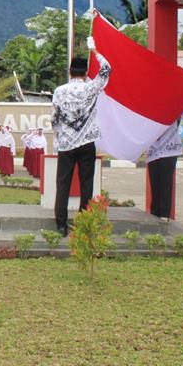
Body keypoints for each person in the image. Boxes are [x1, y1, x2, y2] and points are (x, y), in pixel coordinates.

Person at [52, 36, 111, 236]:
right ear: (86, 73)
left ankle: (61, 224)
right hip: (87, 142)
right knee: (87, 183)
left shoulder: (59, 91)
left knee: (63, 183)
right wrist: (94, 49)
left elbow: (55, 118)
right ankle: (84, 221)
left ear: (69, 72)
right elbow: (107, 69)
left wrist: (59, 137)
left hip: (67, 143)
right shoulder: (91, 87)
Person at [146, 121, 183, 220]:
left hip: (169, 150)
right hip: (153, 151)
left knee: (166, 183)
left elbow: (177, 122)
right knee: (154, 183)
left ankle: (164, 214)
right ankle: (154, 213)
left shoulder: (175, 111)